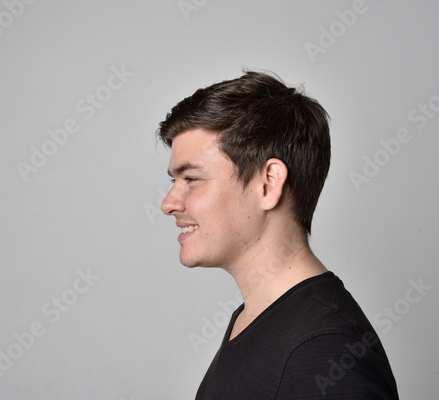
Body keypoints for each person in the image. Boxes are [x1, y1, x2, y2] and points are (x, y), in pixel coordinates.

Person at [157, 71, 399, 399]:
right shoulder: (259, 319)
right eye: (174, 180)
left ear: (268, 183)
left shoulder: (323, 352)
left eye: (192, 179)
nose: (168, 203)